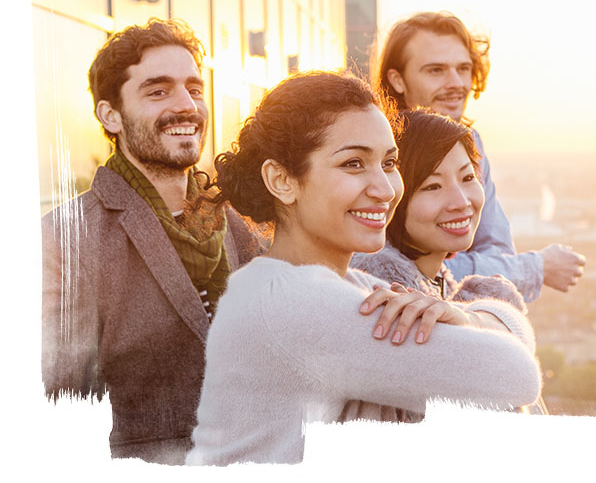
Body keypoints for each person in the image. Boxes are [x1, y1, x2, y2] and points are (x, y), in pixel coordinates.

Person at [186, 72, 541, 465]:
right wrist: (481, 321)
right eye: (354, 164)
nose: (386, 189)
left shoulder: (347, 284)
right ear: (282, 180)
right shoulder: (297, 304)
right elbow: (517, 376)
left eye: (389, 162)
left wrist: (466, 318)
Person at [41, 18, 264, 464]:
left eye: (194, 89)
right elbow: (59, 414)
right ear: (111, 115)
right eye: (158, 91)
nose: (186, 106)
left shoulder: (234, 226)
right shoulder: (65, 240)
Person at [374, 11, 585, 302]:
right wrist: (534, 267)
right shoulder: (377, 153)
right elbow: (391, 266)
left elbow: (496, 251)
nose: (456, 82)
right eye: (436, 70)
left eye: (463, 68)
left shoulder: (472, 143)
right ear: (397, 80)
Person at [352, 109, 525, 312]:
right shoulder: (383, 292)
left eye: (468, 178)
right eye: (433, 186)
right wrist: (498, 308)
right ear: (393, 193)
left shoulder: (433, 279)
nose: (461, 202)